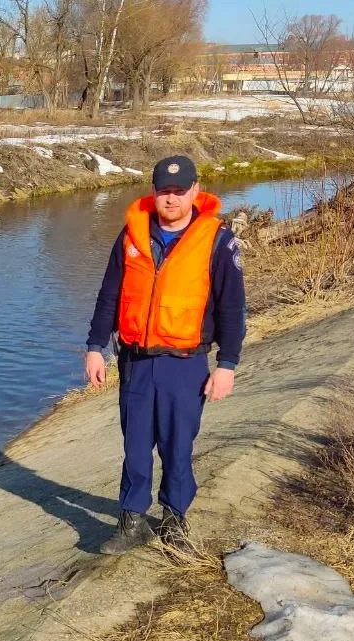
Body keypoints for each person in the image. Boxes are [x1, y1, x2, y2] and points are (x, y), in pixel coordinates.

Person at [84, 155, 246, 554]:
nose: (171, 199)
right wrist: (95, 347)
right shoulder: (132, 235)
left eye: (179, 191)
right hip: (136, 361)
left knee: (177, 444)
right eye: (164, 191)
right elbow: (109, 295)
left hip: (185, 363)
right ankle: (132, 520)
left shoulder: (218, 240)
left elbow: (232, 307)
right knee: (136, 445)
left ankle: (175, 519)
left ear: (195, 191)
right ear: (153, 192)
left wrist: (226, 365)